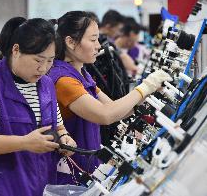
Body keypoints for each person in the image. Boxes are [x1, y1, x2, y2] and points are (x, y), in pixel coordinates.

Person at [48, 11, 172, 185]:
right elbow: (105, 115)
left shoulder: (82, 74)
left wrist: (149, 95)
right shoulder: (63, 80)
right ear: (70, 42)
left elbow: (115, 109)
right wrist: (144, 88)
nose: (99, 46)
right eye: (93, 40)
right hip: (70, 176)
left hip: (88, 169)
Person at [0, 17, 76, 196]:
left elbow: (58, 126)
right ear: (16, 50)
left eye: (50, 61)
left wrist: (64, 138)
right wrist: (24, 143)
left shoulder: (46, 85)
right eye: (38, 60)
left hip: (39, 186)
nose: (44, 68)